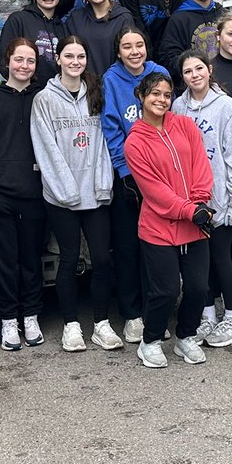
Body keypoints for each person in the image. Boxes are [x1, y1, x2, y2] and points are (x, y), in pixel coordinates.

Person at [30, 36, 118, 352]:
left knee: (102, 260)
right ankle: (71, 326)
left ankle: (102, 324)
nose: (75, 61)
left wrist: (101, 183)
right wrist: (65, 189)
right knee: (68, 259)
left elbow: (104, 144)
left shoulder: (96, 93)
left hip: (94, 191)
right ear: (58, 58)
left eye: (80, 56)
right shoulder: (45, 99)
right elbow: (46, 149)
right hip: (61, 195)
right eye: (69, 56)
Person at [125, 72, 214, 367]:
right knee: (165, 290)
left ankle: (186, 336)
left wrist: (200, 201)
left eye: (166, 95)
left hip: (194, 224)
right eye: (155, 94)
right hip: (158, 228)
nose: (161, 100)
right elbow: (154, 191)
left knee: (199, 287)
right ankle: (149, 340)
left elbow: (201, 164)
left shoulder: (185, 125)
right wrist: (190, 210)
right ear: (141, 96)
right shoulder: (135, 142)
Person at [172, 51, 232, 348]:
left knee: (221, 259)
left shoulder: (227, 107)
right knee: (198, 263)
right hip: (192, 200)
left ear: (209, 70)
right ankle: (206, 315)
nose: (194, 75)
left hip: (220, 197)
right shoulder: (178, 107)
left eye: (199, 69)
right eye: (187, 71)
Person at [0, 40, 47, 352]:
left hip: (35, 193)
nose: (24, 66)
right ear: (7, 62)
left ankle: (30, 316)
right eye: (19, 60)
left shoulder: (43, 99)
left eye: (30, 61)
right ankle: (8, 320)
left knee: (31, 259)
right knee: (5, 262)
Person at [101, 25, 169, 343]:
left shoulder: (159, 73)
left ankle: (155, 311)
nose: (134, 51)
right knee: (128, 247)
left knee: (155, 248)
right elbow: (112, 127)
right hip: (129, 176)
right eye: (127, 47)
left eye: (139, 45)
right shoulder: (112, 79)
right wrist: (124, 171)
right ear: (118, 51)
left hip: (160, 175)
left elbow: (169, 117)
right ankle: (132, 315)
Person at [157, 0, 223, 91]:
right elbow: (169, 57)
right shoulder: (178, 19)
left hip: (223, 81)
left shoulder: (222, 13)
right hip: (192, 86)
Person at [0, 0, 66, 85]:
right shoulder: (18, 20)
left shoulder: (63, 27)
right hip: (25, 92)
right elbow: (3, 60)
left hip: (56, 95)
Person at [64, 0, 135, 77]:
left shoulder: (123, 17)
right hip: (83, 85)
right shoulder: (75, 19)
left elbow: (129, 56)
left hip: (114, 83)